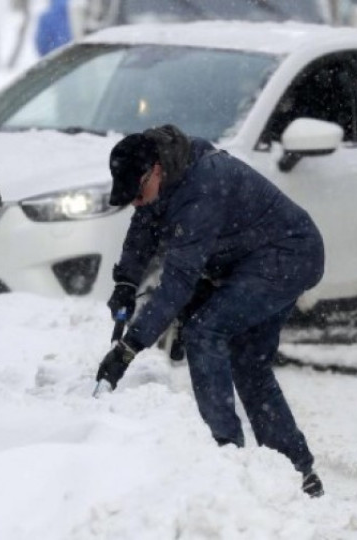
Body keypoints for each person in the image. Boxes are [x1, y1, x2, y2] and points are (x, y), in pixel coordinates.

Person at [94, 124, 326, 498]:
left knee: (204, 332)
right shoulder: (170, 172)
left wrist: (129, 347)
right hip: (256, 258)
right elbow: (143, 226)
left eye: (138, 193)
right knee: (248, 361)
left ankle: (226, 454)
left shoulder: (200, 188)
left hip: (287, 256)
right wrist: (125, 283)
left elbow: (178, 283)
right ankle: (297, 472)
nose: (136, 202)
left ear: (154, 170)